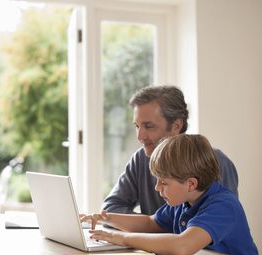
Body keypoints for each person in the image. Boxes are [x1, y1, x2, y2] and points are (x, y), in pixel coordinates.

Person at [81, 134, 259, 255]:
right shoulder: (183, 202)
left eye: (163, 182)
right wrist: (107, 218)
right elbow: (151, 223)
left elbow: (183, 245)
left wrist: (122, 238)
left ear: (190, 184)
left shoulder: (224, 205)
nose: (157, 187)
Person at [102, 85, 238, 215]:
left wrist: (156, 228)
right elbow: (110, 208)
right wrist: (151, 225)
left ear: (176, 125)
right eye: (137, 126)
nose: (140, 136)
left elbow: (224, 219)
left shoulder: (215, 161)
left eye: (148, 126)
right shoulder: (141, 159)